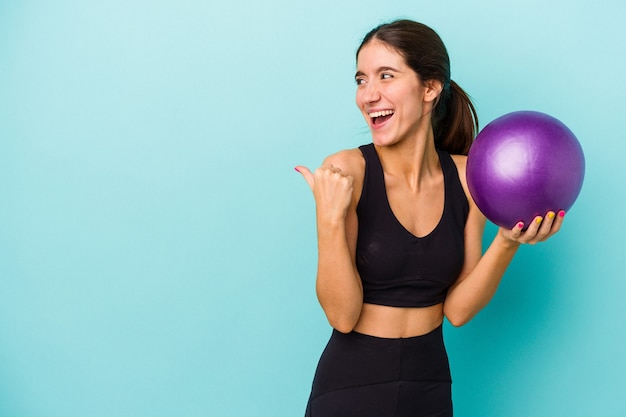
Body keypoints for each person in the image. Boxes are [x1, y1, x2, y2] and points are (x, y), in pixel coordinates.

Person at [295, 19, 564, 417]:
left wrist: (507, 242)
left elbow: (456, 311)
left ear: (430, 88)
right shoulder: (346, 171)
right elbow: (342, 314)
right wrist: (330, 220)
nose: (369, 95)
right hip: (351, 385)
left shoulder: (469, 177)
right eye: (361, 80)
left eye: (386, 76)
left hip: (430, 384)